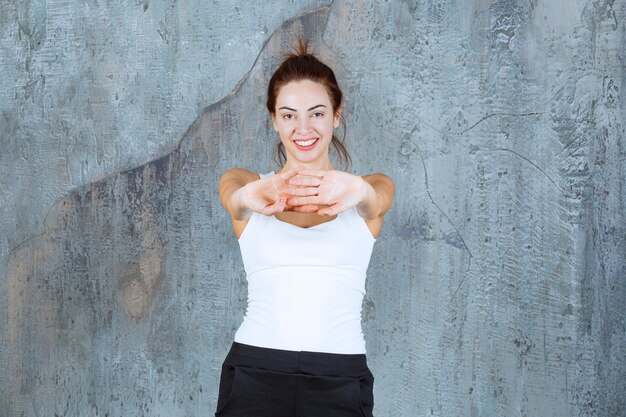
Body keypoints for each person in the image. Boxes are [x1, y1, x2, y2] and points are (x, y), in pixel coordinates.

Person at [215, 39, 394, 417]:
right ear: (274, 120)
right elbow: (232, 198)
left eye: (316, 113)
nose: (303, 128)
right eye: (288, 115)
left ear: (336, 114)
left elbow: (378, 199)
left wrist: (357, 189)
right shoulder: (247, 183)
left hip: (339, 379)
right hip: (253, 373)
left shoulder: (369, 189)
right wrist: (250, 196)